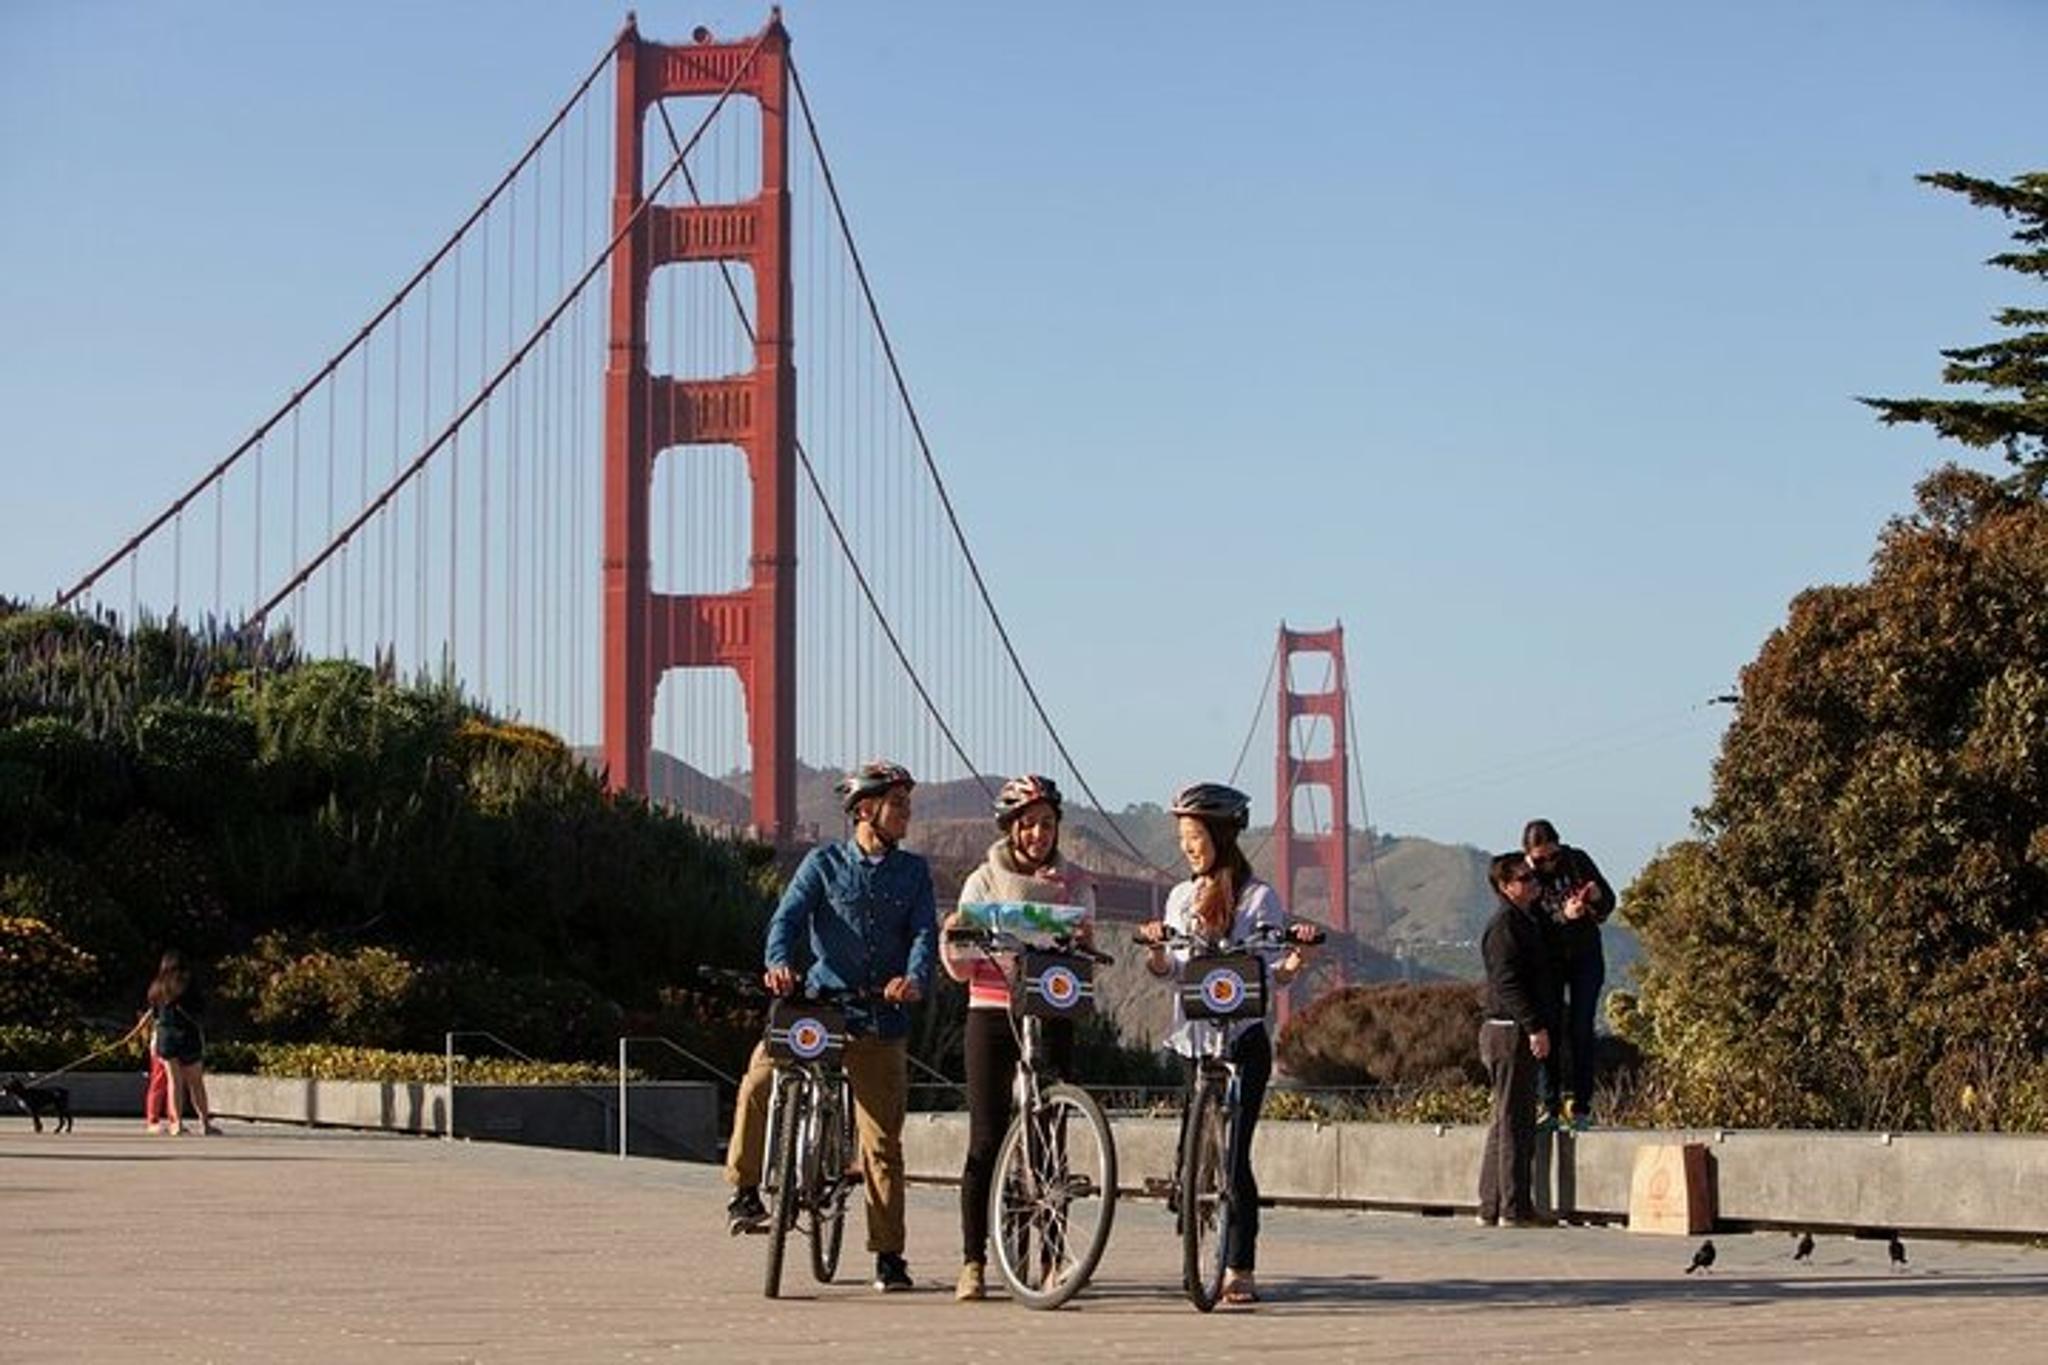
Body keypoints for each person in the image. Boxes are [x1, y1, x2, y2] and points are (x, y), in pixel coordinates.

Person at [721, 760, 938, 1293]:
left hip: (879, 1015)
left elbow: (924, 935)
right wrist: (778, 962)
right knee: (757, 1081)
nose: (908, 814)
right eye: (898, 804)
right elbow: (787, 921)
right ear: (866, 809)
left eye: (908, 804)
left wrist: (912, 979)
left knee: (882, 1143)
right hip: (819, 1008)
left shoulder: (914, 873)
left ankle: (889, 1256)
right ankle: (744, 1191)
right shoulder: (821, 864)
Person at [1135, 781, 1315, 1306]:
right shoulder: (1178, 897)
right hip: (1193, 1041)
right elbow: (1168, 970)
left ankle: (1240, 1265)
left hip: (1243, 1041)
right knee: (1195, 1153)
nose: (1187, 846)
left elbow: (1273, 977)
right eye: (1182, 837)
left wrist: (1298, 958)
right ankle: (1191, 1218)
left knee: (1236, 1158)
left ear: (1221, 835)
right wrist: (1153, 949)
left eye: (1195, 836)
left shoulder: (1260, 898)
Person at [938, 774, 1098, 1302]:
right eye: (1027, 824)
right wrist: (954, 935)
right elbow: (961, 970)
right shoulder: (983, 881)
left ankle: (1053, 1262)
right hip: (991, 1011)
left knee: (1050, 1141)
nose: (1037, 834)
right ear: (1010, 828)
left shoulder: (1076, 883)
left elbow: (1082, 950)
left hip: (1051, 1010)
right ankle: (973, 1261)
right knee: (985, 1139)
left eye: (1046, 824)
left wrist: (1085, 941)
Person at [1477, 852, 1556, 1227]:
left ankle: (1491, 1205)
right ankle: (1514, 1207)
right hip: (1508, 1031)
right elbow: (1507, 982)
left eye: (1533, 877)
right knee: (1515, 1120)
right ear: (1506, 887)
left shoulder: (1526, 920)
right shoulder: (1505, 925)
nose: (1533, 883)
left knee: (1505, 1118)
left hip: (1510, 1028)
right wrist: (1534, 1026)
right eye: (1524, 879)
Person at [1522, 818, 1616, 1131]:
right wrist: (1563, 915)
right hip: (1548, 960)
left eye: (1553, 855)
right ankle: (1549, 1104)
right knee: (1549, 1028)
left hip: (1585, 956)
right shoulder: (1524, 877)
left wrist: (1594, 898)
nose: (1549, 863)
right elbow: (1529, 922)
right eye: (1540, 859)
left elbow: (1609, 901)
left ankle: (1581, 1107)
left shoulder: (1577, 861)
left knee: (1581, 1027)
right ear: (1528, 856)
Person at [148, 955, 219, 1136]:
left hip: (166, 1036)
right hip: (187, 1035)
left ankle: (176, 1123)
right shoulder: (188, 986)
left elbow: (154, 1013)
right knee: (196, 1083)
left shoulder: (157, 988)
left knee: (174, 1082)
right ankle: (204, 1123)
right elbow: (201, 1010)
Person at [117, 950, 182, 1133]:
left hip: (168, 1039)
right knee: (161, 1081)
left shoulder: (163, 987)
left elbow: (149, 1013)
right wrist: (134, 1033)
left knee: (170, 1082)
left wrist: (134, 1033)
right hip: (161, 1041)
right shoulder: (166, 988)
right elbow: (150, 1014)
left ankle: (172, 1119)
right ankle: (153, 1119)